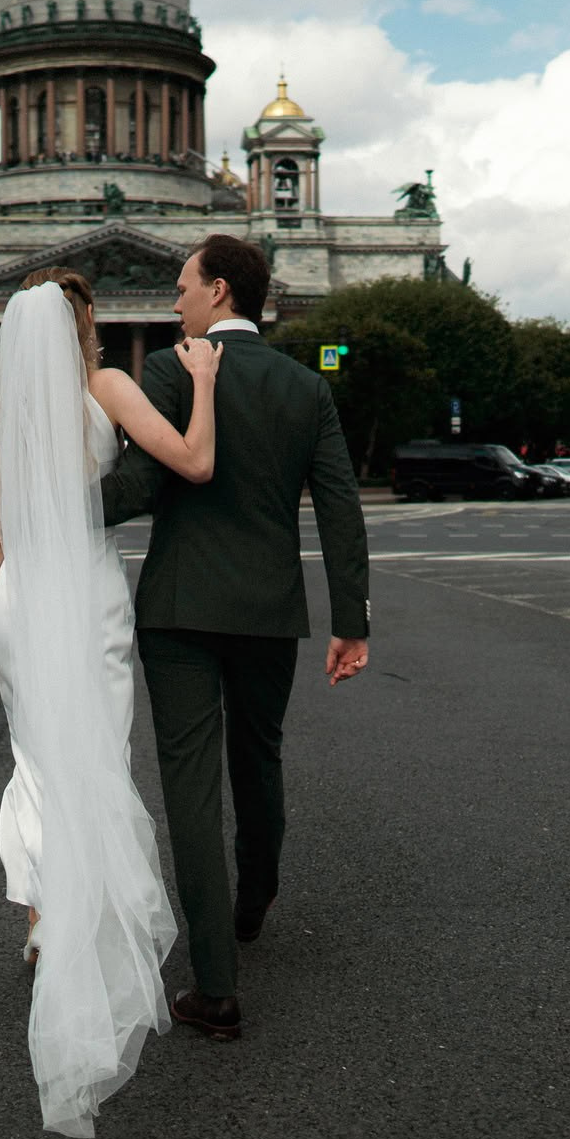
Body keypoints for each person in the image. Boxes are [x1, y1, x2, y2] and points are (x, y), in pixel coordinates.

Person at [0, 269, 221, 1139]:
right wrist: (207, 386)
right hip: (91, 594)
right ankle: (77, 919)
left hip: (24, 600)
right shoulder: (104, 387)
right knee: (95, 758)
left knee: (36, 760)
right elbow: (192, 460)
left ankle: (44, 922)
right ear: (83, 328)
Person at [98, 235, 370, 1044]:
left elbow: (143, 485)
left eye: (183, 287)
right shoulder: (303, 386)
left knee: (190, 784)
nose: (173, 300)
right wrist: (351, 620)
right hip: (267, 608)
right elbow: (341, 506)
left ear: (218, 291)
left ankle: (215, 983)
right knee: (260, 754)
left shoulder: (170, 369)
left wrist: (42, 496)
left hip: (179, 607)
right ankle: (254, 901)